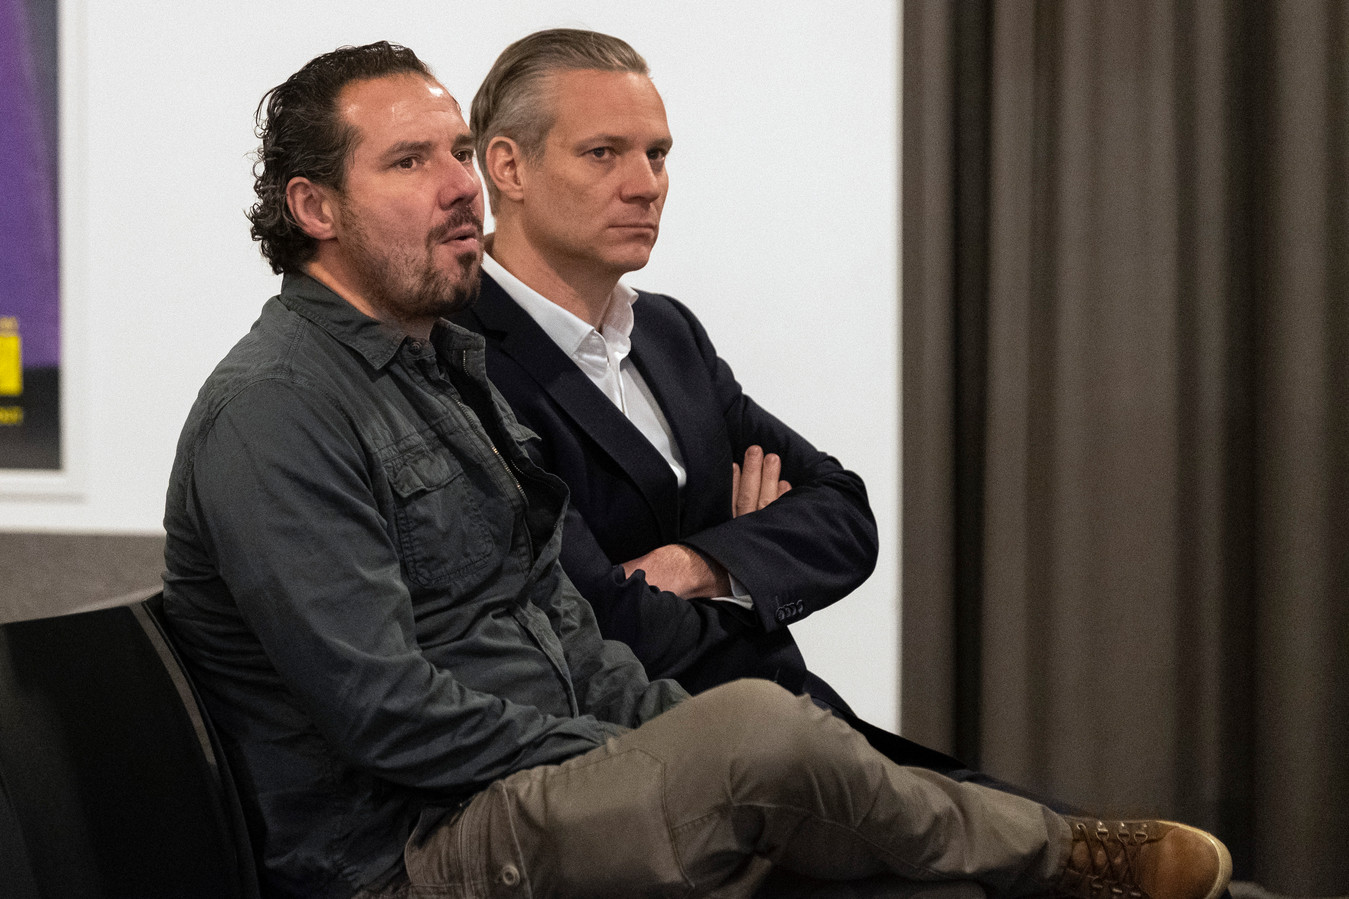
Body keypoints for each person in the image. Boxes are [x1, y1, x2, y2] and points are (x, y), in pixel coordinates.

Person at [161, 40, 1232, 899]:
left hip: (537, 788)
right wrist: (623, 752)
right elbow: (385, 709)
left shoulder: (445, 366)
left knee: (810, 780)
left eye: (456, 152)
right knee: (760, 733)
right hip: (412, 850)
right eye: (409, 163)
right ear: (315, 209)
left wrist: (659, 724)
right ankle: (1063, 854)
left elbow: (565, 619)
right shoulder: (275, 409)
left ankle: (1059, 857)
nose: (458, 187)